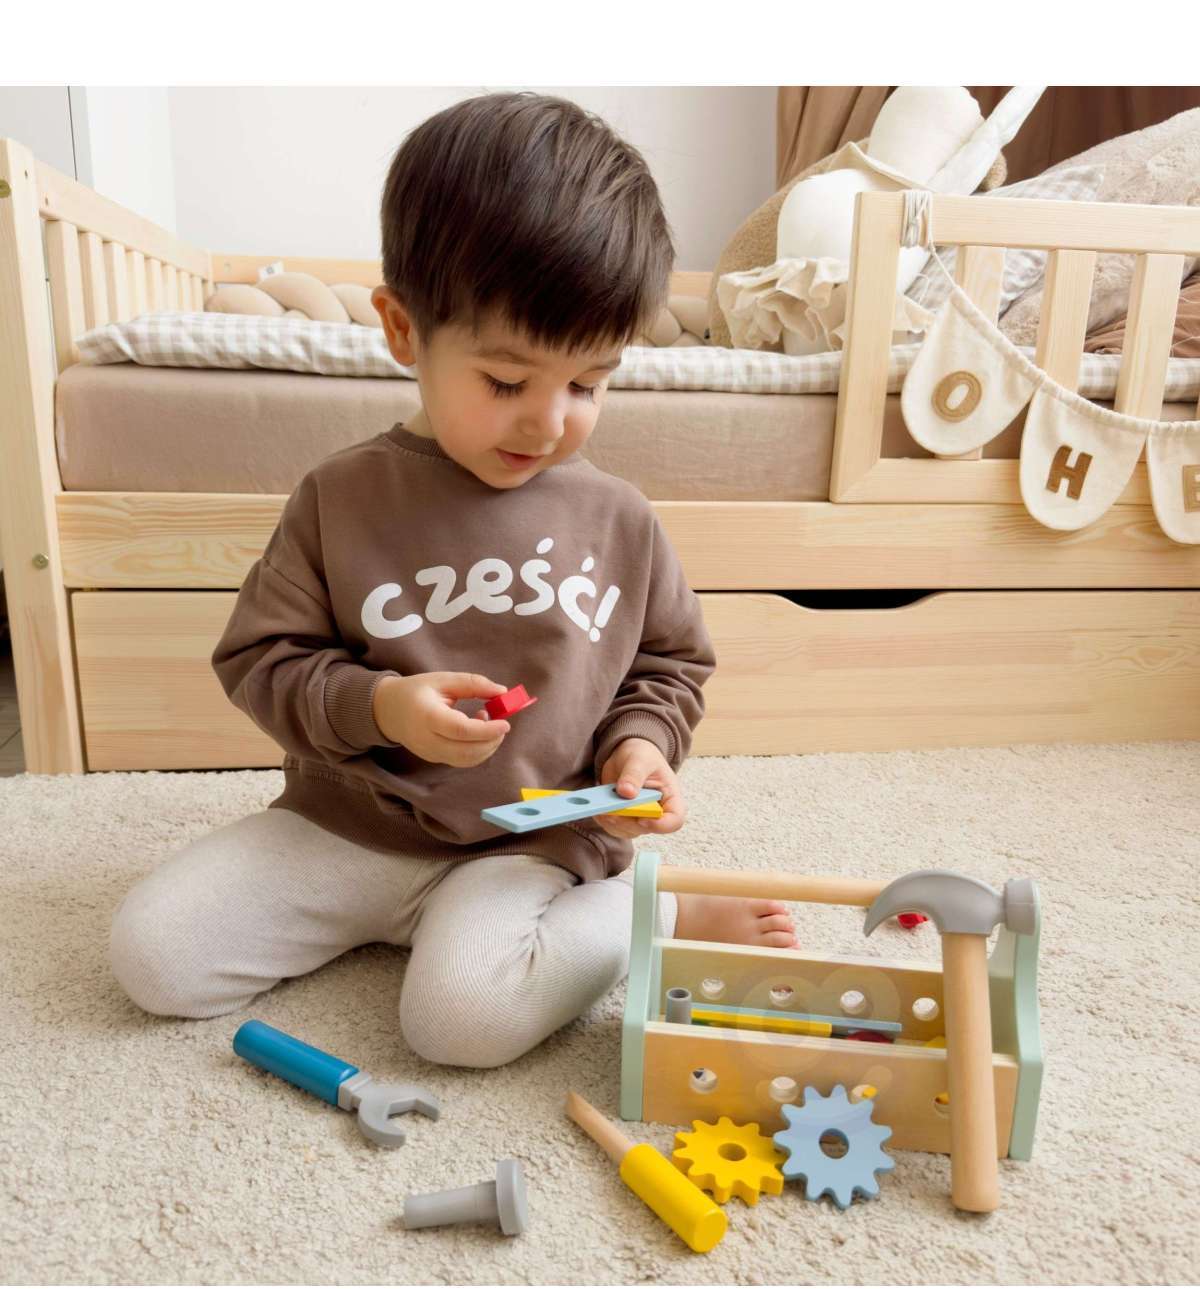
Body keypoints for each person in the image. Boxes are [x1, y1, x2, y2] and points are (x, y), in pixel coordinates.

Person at [109, 92, 794, 1067]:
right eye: (507, 381)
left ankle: (661, 912)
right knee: (153, 956)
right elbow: (261, 659)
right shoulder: (341, 497)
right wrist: (381, 706)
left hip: (524, 844)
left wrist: (640, 748)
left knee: (460, 1024)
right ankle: (413, 923)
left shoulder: (619, 520)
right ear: (403, 330)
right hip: (348, 825)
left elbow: (667, 665)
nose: (548, 421)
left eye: (587, 383)